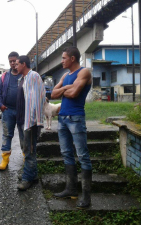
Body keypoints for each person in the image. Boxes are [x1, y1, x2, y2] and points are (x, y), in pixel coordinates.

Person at [51, 46, 92, 209]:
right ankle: (71, 189)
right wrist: (67, 88)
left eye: (63, 58)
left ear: (72, 59)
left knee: (82, 155)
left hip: (75, 118)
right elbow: (53, 94)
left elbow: (74, 94)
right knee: (66, 153)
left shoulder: (84, 72)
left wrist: (64, 90)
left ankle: (86, 196)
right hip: (62, 118)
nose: (61, 61)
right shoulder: (65, 75)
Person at [15, 55, 46, 191]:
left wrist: (33, 121)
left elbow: (35, 99)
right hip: (22, 119)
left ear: (23, 64)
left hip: (30, 121)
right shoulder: (23, 79)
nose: (15, 66)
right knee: (26, 148)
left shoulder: (33, 76)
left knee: (29, 149)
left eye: (17, 64)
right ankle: (32, 175)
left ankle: (27, 178)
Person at [0, 51, 24, 170]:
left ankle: (26, 157)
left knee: (24, 135)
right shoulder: (4, 76)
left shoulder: (25, 75)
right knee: (7, 135)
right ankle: (5, 159)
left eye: (15, 61)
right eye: (11, 61)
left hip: (22, 111)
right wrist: (0, 105)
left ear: (18, 61)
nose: (13, 63)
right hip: (7, 110)